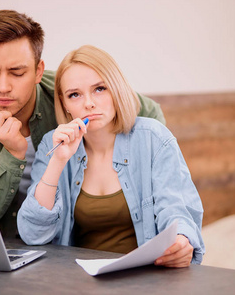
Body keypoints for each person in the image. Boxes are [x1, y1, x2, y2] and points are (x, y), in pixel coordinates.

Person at [0, 10, 166, 237]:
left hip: (66, 244)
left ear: (38, 71)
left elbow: (144, 110)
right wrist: (12, 154)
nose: (3, 86)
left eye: (17, 72)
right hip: (0, 247)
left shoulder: (70, 91)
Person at [17, 45, 204, 267]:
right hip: (76, 281)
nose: (88, 103)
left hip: (147, 278)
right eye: (74, 95)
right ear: (65, 103)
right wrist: (57, 161)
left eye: (99, 89)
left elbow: (176, 210)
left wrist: (181, 241)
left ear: (116, 88)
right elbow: (32, 234)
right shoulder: (53, 143)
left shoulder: (153, 138)